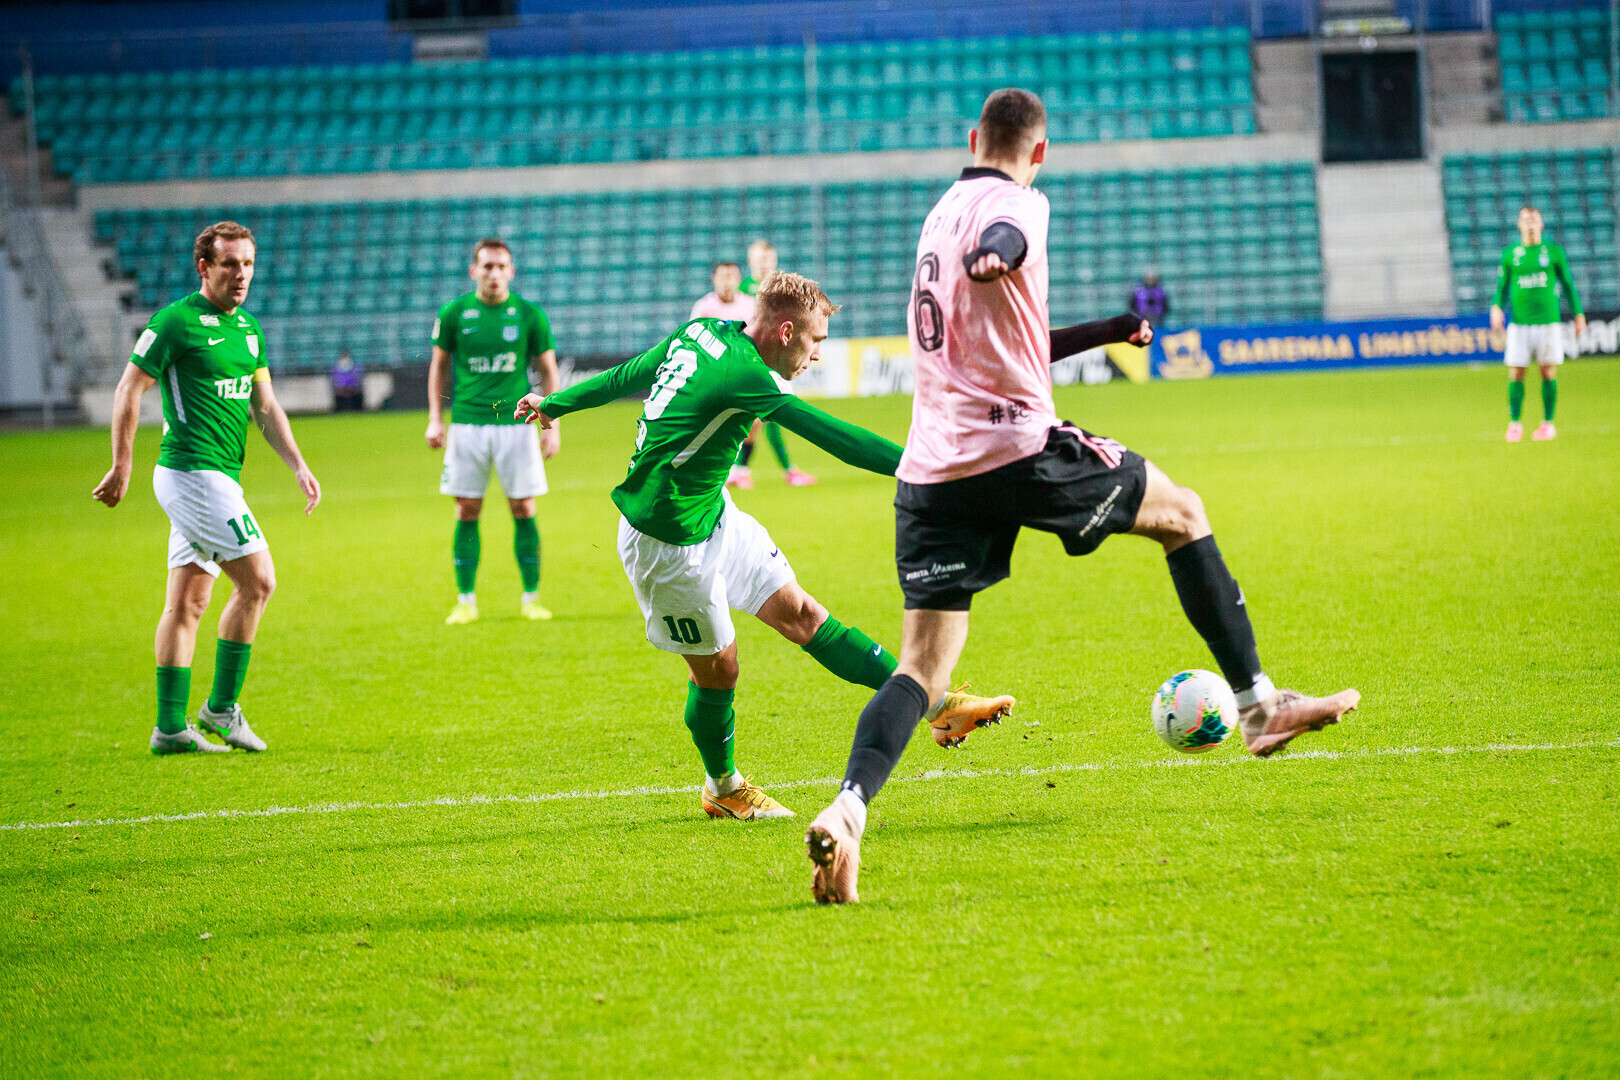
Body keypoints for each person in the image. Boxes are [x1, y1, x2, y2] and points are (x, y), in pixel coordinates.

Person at [804, 89, 1361, 904]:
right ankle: (1257, 707)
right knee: (1183, 513)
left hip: (931, 474)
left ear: (972, 137)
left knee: (921, 669)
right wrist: (997, 251)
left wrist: (1105, 330)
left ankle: (849, 810)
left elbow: (1013, 334)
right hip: (1018, 451)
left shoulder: (937, 216)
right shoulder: (1019, 206)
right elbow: (1005, 238)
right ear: (1040, 152)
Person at [514, 272, 1012, 820]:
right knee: (718, 670)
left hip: (711, 513)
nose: (817, 354)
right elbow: (830, 435)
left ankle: (937, 705)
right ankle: (722, 786)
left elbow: (630, 373)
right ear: (786, 330)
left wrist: (555, 403)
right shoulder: (746, 375)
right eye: (816, 340)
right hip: (665, 543)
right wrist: (925, 470)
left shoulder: (701, 331)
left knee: (803, 614)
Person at [91, 221, 322, 755]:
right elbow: (129, 387)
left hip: (217, 477)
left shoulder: (249, 330)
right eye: (230, 264)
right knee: (259, 582)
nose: (241, 274)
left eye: (248, 264)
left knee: (188, 603)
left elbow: (265, 407)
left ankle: (170, 728)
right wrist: (122, 464)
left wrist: (298, 464)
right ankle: (221, 708)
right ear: (204, 267)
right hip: (193, 473)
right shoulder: (176, 321)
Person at [425, 238, 561, 624]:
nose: (494, 273)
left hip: (517, 424)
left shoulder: (529, 314)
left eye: (501, 267)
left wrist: (552, 424)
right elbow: (439, 366)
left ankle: (531, 598)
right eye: (487, 266)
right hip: (467, 424)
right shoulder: (454, 313)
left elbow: (548, 370)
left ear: (511, 271)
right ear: (474, 271)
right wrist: (435, 418)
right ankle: (465, 600)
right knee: (467, 509)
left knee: (524, 507)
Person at [1490, 205, 1584, 442]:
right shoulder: (1510, 254)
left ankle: (1547, 424)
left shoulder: (1553, 252)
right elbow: (1501, 288)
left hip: (1548, 322)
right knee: (1516, 372)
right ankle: (1515, 424)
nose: (1530, 224)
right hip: (1520, 323)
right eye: (1526, 220)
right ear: (1519, 225)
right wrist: (1496, 307)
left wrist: (1578, 314)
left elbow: (1569, 285)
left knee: (1547, 371)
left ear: (1541, 224)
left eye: (1534, 220)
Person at [729, 240, 816, 489]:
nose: (764, 263)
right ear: (750, 262)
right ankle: (745, 469)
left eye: (768, 258)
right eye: (760, 259)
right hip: (751, 357)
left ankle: (743, 470)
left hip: (774, 354)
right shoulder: (743, 290)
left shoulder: (782, 287)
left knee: (769, 413)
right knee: (761, 413)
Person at [691, 261, 755, 322]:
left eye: (730, 276)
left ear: (739, 279)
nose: (726, 282)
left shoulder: (750, 305)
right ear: (713, 278)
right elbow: (692, 328)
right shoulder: (704, 306)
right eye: (722, 277)